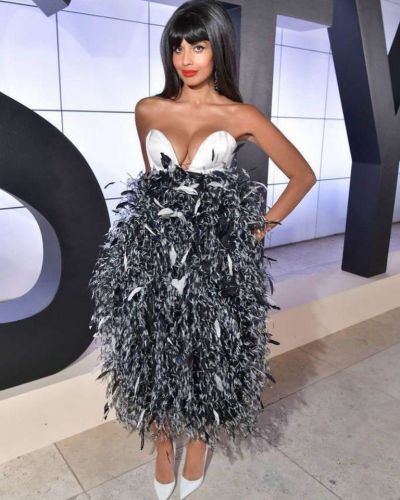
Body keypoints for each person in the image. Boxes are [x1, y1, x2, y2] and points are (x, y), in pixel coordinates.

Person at [88, 1, 316, 498]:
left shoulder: (240, 115)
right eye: (177, 47)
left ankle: (198, 442)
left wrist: (254, 232)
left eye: (198, 46)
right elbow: (151, 182)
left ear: (218, 50)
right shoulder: (148, 110)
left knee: (208, 352)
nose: (186, 58)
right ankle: (163, 446)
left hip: (213, 259)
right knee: (152, 350)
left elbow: (302, 176)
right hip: (151, 256)